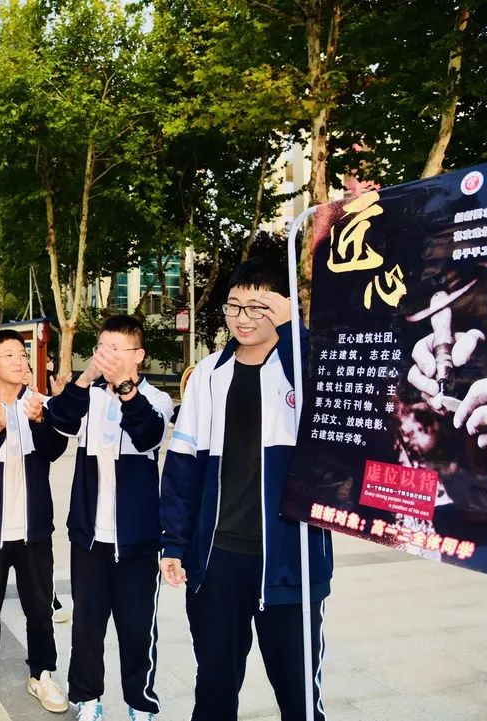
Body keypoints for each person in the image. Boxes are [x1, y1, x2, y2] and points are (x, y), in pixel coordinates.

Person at [160, 258, 331, 721]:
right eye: (235, 306)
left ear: (282, 309)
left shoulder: (301, 366)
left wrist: (294, 330)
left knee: (299, 695)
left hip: (290, 562)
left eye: (259, 307)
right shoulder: (208, 375)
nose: (243, 317)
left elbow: (325, 391)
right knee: (214, 689)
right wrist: (174, 542)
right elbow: (182, 466)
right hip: (217, 561)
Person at [44, 314, 174, 721]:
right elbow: (59, 418)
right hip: (89, 535)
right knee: (87, 625)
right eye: (102, 348)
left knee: (137, 627)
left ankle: (140, 703)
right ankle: (87, 699)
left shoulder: (156, 398)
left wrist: (125, 389)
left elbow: (148, 434)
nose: (108, 356)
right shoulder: (90, 396)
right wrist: (85, 379)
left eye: (117, 349)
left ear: (139, 355)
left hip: (137, 539)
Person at [0, 329, 70, 715]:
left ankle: (42, 674)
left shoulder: (39, 403)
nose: (20, 361)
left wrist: (40, 420)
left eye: (22, 354)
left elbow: (54, 449)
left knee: (40, 607)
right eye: (9, 355)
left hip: (33, 527)